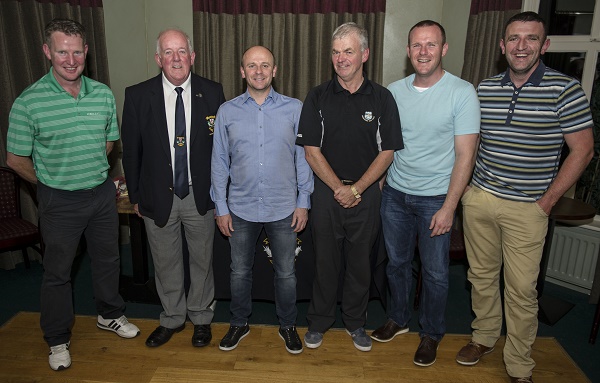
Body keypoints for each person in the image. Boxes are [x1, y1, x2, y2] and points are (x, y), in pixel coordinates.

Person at [455, 12, 594, 383]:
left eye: (530, 39)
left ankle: (519, 366)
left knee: (520, 291)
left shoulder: (565, 89)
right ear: (502, 46)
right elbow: (470, 144)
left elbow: (582, 151)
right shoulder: (484, 89)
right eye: (514, 38)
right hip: (481, 200)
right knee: (481, 277)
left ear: (544, 45)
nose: (521, 46)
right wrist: (468, 189)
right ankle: (483, 337)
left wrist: (547, 201)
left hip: (528, 208)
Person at [6, 18, 140, 371]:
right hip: (58, 200)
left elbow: (109, 142)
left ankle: (109, 315)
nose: (70, 59)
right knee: (57, 272)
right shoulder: (29, 102)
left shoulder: (102, 94)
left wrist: (90, 169)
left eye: (76, 51)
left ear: (86, 52)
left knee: (109, 260)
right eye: (62, 51)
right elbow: (15, 160)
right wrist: (50, 182)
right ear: (47, 51)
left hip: (100, 194)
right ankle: (57, 338)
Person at [370, 20, 480, 367]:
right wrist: (382, 179)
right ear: (407, 51)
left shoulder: (462, 92)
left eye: (431, 45)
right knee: (397, 264)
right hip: (396, 195)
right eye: (417, 45)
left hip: (437, 198)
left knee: (434, 273)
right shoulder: (393, 91)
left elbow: (466, 155)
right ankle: (398, 318)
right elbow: (385, 142)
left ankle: (431, 333)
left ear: (443, 49)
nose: (423, 52)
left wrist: (450, 207)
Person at [296, 22, 404, 352]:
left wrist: (357, 189)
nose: (341, 58)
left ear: (365, 55)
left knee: (360, 263)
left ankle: (356, 323)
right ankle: (319, 322)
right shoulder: (317, 96)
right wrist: (339, 189)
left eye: (349, 51)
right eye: (336, 52)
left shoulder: (383, 98)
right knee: (325, 263)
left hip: (367, 196)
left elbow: (387, 152)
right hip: (327, 196)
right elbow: (311, 151)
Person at [121, 28, 225, 349]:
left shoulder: (213, 92)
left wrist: (221, 195)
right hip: (157, 195)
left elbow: (221, 149)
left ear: (192, 57)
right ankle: (172, 318)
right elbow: (132, 150)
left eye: (182, 51)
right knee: (164, 260)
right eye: (169, 52)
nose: (176, 58)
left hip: (199, 194)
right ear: (158, 59)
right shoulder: (138, 96)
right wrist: (136, 197)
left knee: (202, 259)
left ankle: (201, 317)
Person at [210, 46, 314, 354]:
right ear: (242, 71)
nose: (259, 71)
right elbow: (219, 162)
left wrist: (303, 200)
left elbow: (303, 158)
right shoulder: (227, 111)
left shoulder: (295, 108)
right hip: (239, 208)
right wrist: (221, 206)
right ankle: (239, 322)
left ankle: (287, 325)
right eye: (252, 66)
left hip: (284, 207)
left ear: (275, 70)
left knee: (286, 272)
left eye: (265, 65)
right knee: (239, 271)